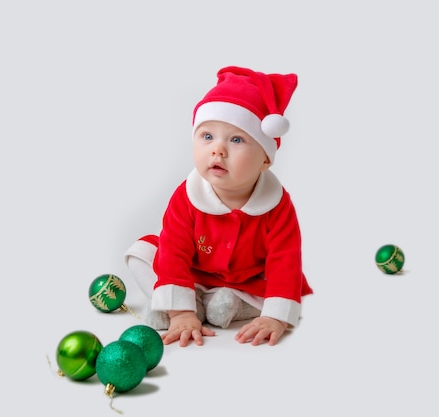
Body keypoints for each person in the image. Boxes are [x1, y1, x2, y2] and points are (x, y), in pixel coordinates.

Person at [123, 66, 313, 347]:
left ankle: (233, 305)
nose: (218, 150)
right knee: (143, 253)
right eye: (207, 136)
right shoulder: (187, 195)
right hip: (196, 273)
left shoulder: (277, 205)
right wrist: (181, 313)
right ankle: (185, 305)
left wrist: (276, 317)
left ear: (265, 159)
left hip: (247, 279)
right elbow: (175, 250)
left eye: (236, 140)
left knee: (270, 287)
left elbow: (285, 260)